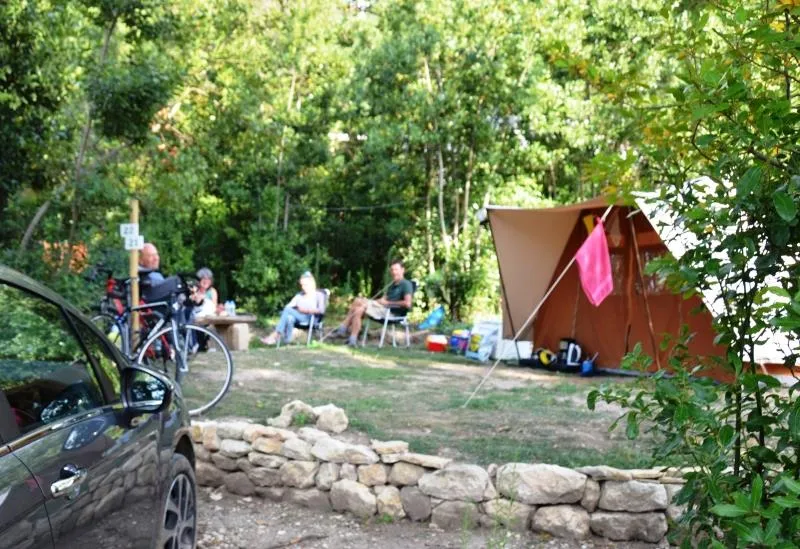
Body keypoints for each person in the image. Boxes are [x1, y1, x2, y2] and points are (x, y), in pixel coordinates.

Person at [335, 259, 413, 346]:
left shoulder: (406, 284)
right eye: (392, 270)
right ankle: (352, 340)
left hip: (392, 313)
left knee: (358, 301)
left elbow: (407, 303)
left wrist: (387, 303)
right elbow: (383, 299)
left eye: (396, 270)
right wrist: (374, 301)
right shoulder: (392, 284)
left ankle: (342, 330)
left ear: (402, 270)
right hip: (383, 308)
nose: (394, 272)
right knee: (358, 309)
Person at [261, 271, 327, 345]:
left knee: (288, 310)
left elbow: (321, 310)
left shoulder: (319, 294)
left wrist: (305, 310)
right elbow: (289, 306)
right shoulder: (299, 295)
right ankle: (287, 341)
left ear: (311, 284)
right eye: (302, 285)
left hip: (311, 318)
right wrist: (289, 309)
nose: (303, 287)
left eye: (305, 285)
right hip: (299, 316)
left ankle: (276, 334)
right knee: (289, 317)